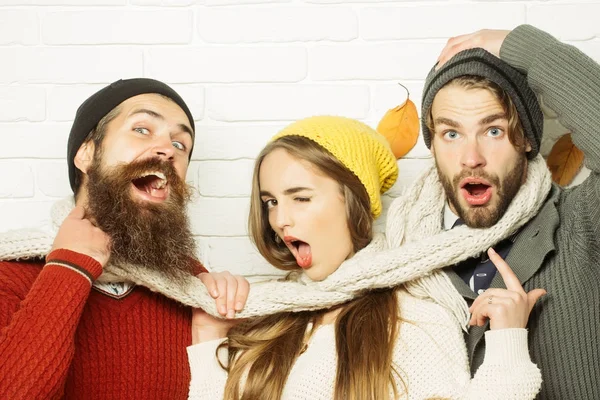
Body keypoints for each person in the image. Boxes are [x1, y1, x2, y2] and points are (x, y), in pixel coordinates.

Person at [187, 115, 543, 399]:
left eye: (301, 198)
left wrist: (506, 344)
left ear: (353, 202)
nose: (280, 220)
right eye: (271, 202)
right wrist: (209, 336)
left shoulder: (414, 316)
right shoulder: (270, 317)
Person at [0, 78, 249, 399]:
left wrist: (213, 336)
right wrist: (68, 268)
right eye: (142, 129)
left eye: (180, 144)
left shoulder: (191, 284)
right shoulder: (12, 274)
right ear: (87, 153)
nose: (167, 149)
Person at [414, 25, 599, 399]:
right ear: (432, 145)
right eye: (451, 134)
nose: (471, 158)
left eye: (494, 131)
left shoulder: (581, 222)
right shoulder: (402, 263)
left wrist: (525, 48)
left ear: (528, 139)